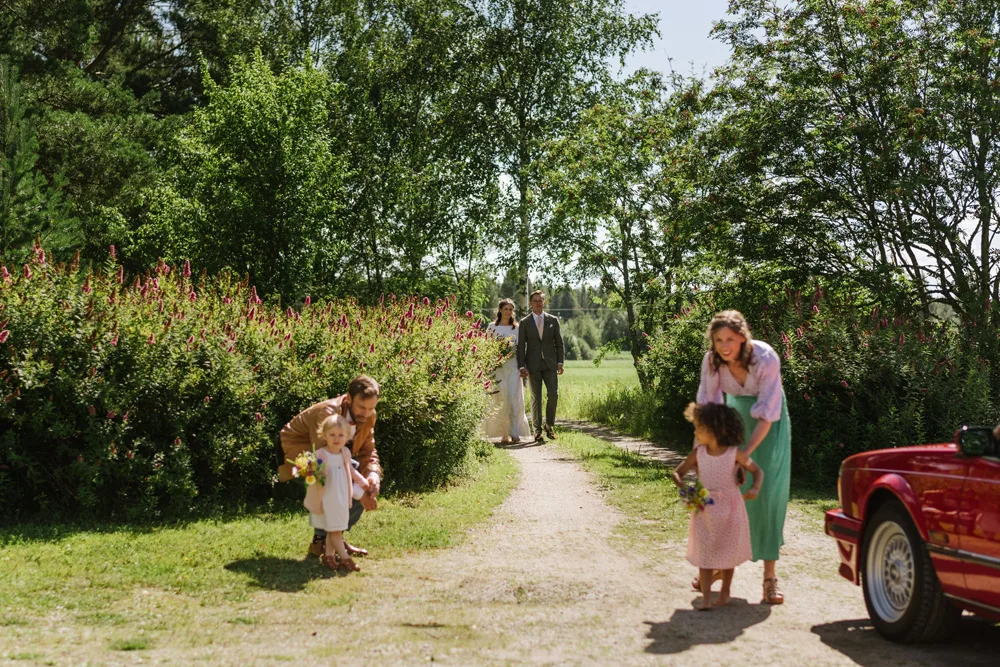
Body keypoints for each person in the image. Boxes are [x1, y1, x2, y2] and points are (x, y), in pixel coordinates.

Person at [694, 310, 791, 605]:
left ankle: (770, 578)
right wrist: (704, 451)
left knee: (768, 497)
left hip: (768, 426)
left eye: (731, 340)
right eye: (719, 340)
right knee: (725, 496)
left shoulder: (765, 358)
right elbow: (707, 408)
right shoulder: (712, 361)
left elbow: (768, 414)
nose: (724, 346)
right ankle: (722, 568)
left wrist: (743, 455)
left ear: (743, 337)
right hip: (733, 420)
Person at [279, 375, 382, 559]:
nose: (366, 413)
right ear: (348, 398)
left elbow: (368, 451)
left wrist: (373, 475)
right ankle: (320, 541)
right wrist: (359, 491)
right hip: (302, 453)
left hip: (338, 456)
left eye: (371, 408)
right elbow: (326, 460)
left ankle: (334, 538)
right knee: (334, 486)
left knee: (360, 485)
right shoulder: (328, 413)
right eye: (361, 407)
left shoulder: (368, 415)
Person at [673, 402, 762, 611]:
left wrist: (755, 489)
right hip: (705, 508)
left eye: (698, 427)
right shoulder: (698, 454)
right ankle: (706, 599)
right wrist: (686, 488)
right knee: (705, 554)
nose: (695, 431)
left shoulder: (735, 454)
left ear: (713, 429)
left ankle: (725, 591)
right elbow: (678, 472)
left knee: (728, 550)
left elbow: (757, 471)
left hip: (731, 508)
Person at [305, 414, 371, 572]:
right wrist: (311, 471)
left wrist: (363, 482)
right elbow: (310, 474)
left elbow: (351, 471)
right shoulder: (321, 454)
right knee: (335, 531)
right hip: (327, 498)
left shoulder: (345, 453)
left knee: (335, 528)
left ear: (347, 436)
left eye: (341, 435)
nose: (336, 439)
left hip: (342, 496)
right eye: (332, 435)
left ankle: (328, 556)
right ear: (324, 435)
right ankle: (345, 559)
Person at [516, 290, 564, 442]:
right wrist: (521, 366)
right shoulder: (524, 322)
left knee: (553, 395)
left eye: (540, 300)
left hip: (550, 364)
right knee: (536, 397)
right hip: (533, 365)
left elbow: (559, 343)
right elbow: (521, 346)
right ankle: (537, 430)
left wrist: (560, 362)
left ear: (544, 302)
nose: (538, 303)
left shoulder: (553, 320)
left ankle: (549, 425)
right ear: (530, 303)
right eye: (535, 300)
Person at [484, 298, 531, 443]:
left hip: (513, 367)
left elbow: (522, 348)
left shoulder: (516, 328)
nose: (508, 312)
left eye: (511, 309)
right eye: (506, 309)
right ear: (500, 310)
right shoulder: (492, 327)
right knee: (500, 399)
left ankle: (515, 432)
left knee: (512, 398)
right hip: (498, 368)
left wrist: (523, 366)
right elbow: (486, 347)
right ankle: (504, 434)